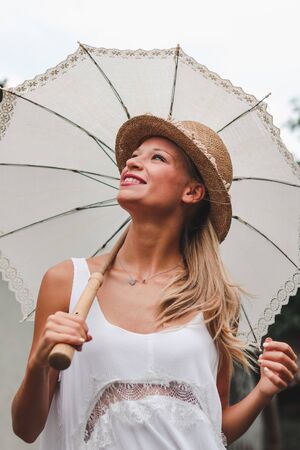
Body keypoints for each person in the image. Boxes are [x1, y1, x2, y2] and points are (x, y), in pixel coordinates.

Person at [12, 115, 298, 449]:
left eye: (156, 157)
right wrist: (37, 363)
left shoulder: (213, 299)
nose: (133, 161)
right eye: (135, 154)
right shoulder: (67, 282)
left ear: (191, 191)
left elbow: (212, 425)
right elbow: (25, 428)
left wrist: (265, 390)